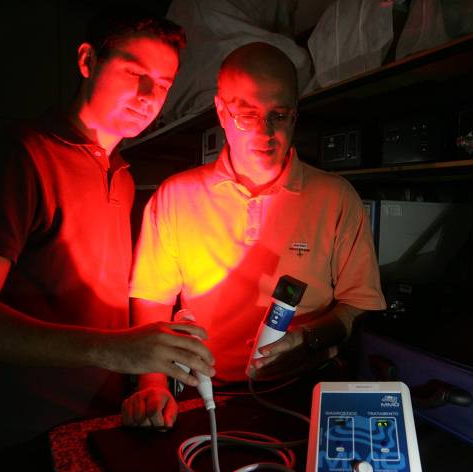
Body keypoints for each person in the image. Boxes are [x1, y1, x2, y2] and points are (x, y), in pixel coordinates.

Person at [0, 7, 214, 472]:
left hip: (96, 425)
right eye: (134, 73)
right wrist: (115, 350)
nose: (150, 97)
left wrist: (147, 380)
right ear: (87, 60)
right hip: (18, 441)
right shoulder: (17, 158)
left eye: (164, 84)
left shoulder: (121, 174)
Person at [123, 42, 385, 427]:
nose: (266, 132)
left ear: (295, 115)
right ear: (221, 112)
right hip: (208, 394)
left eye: (279, 115)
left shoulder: (335, 197)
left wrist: (309, 338)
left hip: (305, 391)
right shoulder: (176, 196)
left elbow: (358, 303)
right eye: (247, 115)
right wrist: (152, 382)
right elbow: (151, 298)